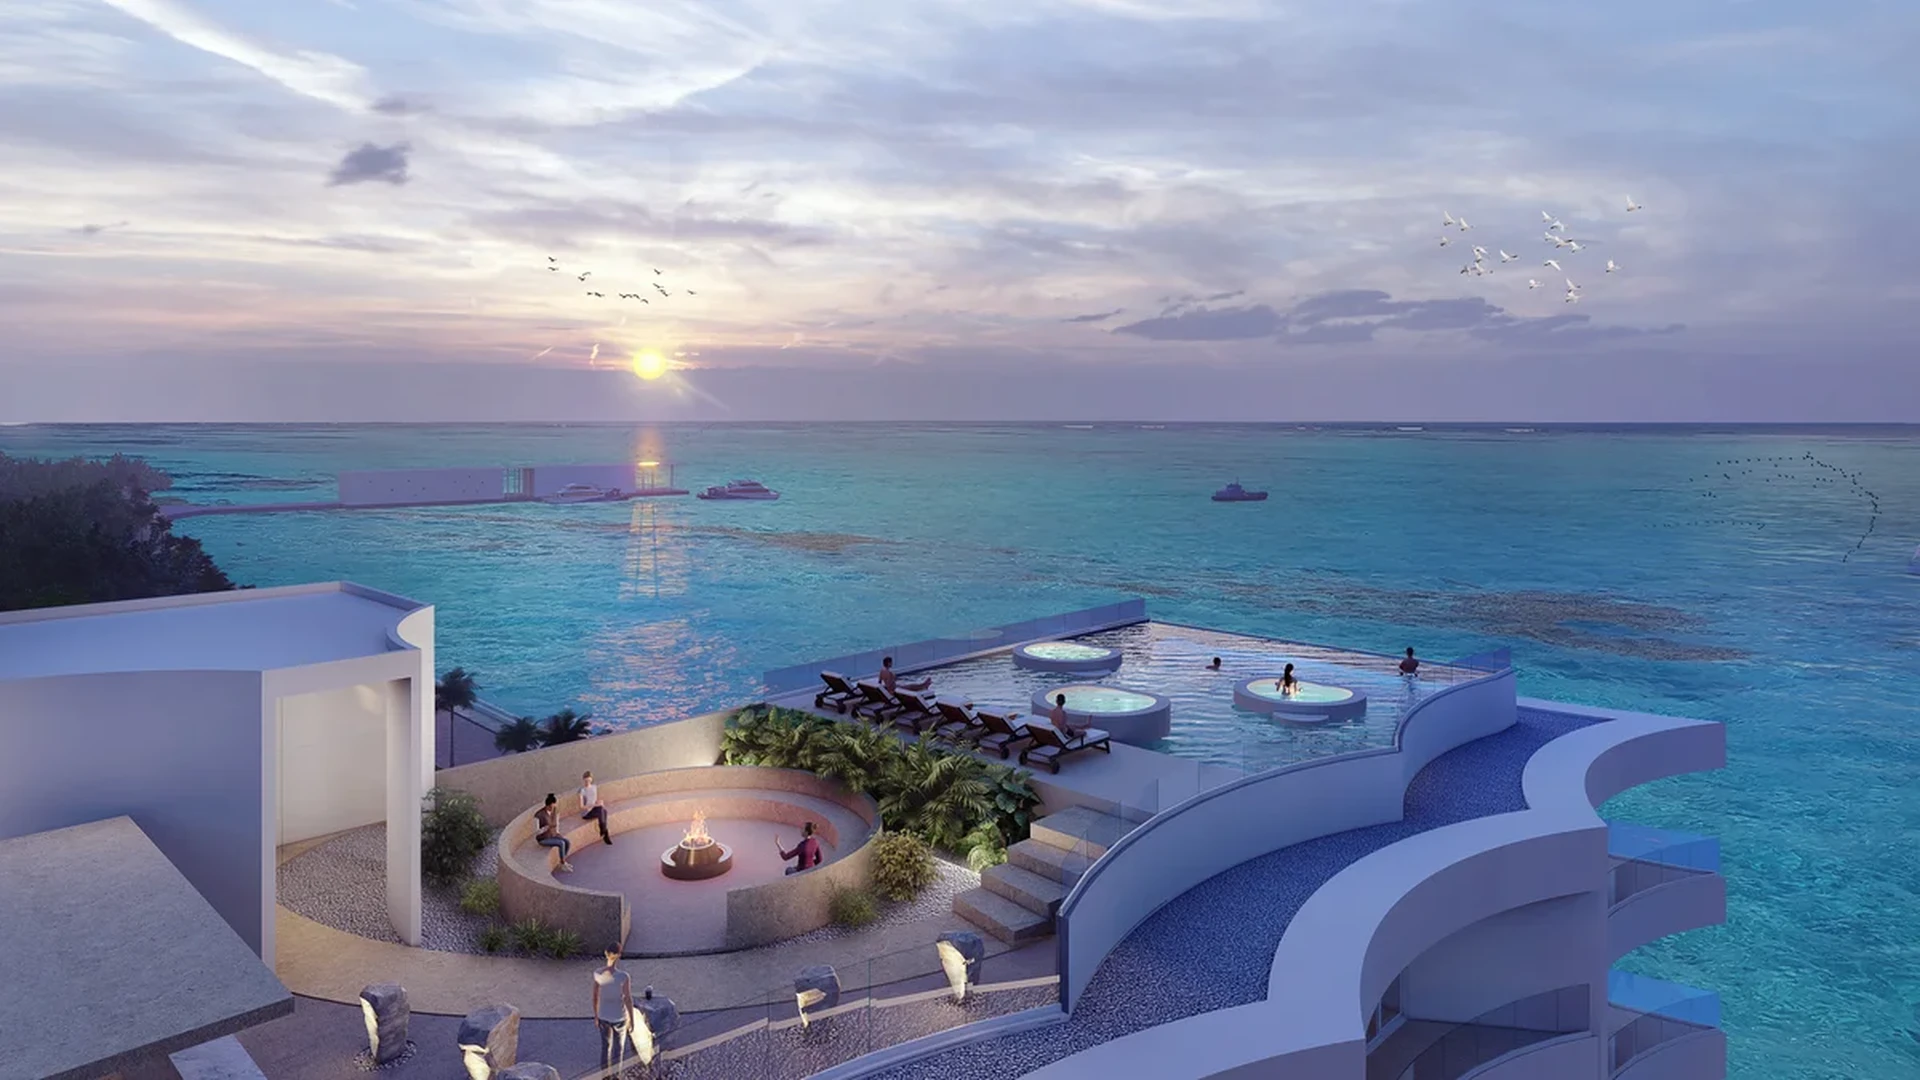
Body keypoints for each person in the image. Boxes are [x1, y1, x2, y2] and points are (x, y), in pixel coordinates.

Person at [591, 945, 635, 1071]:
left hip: (603, 1016)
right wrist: (632, 1019)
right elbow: (627, 998)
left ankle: (605, 1076)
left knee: (605, 1048)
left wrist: (596, 1015)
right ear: (619, 955)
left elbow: (595, 996)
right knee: (618, 1049)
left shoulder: (598, 974)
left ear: (606, 953)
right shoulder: (623, 977)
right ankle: (617, 1076)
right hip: (619, 1017)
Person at [536, 794, 574, 871]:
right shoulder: (539, 815)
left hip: (553, 834)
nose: (553, 809)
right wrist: (545, 828)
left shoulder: (555, 810)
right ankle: (563, 864)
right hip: (543, 838)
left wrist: (557, 832)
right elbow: (537, 832)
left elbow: (557, 822)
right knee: (561, 843)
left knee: (567, 842)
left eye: (554, 806)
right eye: (551, 807)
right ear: (547, 806)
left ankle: (562, 861)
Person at [579, 771, 611, 845]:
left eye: (589, 781)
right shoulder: (582, 791)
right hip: (586, 813)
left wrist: (599, 802)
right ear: (583, 780)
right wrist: (594, 805)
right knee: (601, 810)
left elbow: (594, 800)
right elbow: (581, 807)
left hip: (593, 809)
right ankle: (604, 831)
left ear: (592, 780)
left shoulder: (594, 787)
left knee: (604, 811)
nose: (587, 782)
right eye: (586, 781)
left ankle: (603, 831)